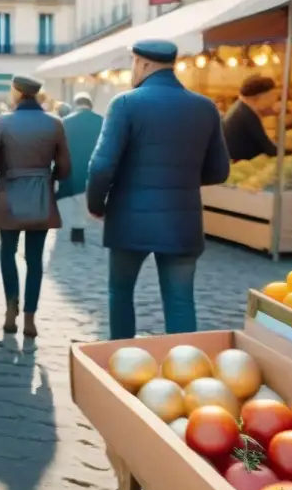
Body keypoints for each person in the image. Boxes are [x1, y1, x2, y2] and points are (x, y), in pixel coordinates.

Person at [87, 39, 230, 340]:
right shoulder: (205, 108)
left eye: (133, 64)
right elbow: (219, 171)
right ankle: (185, 369)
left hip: (129, 219)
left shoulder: (125, 103)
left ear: (143, 64)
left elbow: (101, 166)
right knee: (180, 300)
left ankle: (122, 359)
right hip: (183, 221)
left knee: (121, 293)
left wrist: (97, 205)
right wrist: (182, 179)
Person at [0, 76, 72, 338]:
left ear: (16, 92)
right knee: (35, 259)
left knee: (7, 254)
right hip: (40, 197)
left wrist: (9, 170)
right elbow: (65, 168)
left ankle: (11, 310)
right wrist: (46, 177)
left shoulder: (2, 122)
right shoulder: (55, 123)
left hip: (9, 196)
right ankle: (30, 318)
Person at [56, 93, 103, 244]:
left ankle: (77, 231)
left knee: (75, 200)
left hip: (72, 168)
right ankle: (85, 229)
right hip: (95, 168)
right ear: (90, 105)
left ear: (76, 105)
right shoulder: (102, 121)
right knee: (89, 199)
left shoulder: (64, 122)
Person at [222, 75, 279, 161]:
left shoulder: (242, 107)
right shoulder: (247, 115)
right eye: (272, 95)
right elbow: (268, 149)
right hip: (238, 165)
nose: (274, 100)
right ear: (263, 96)